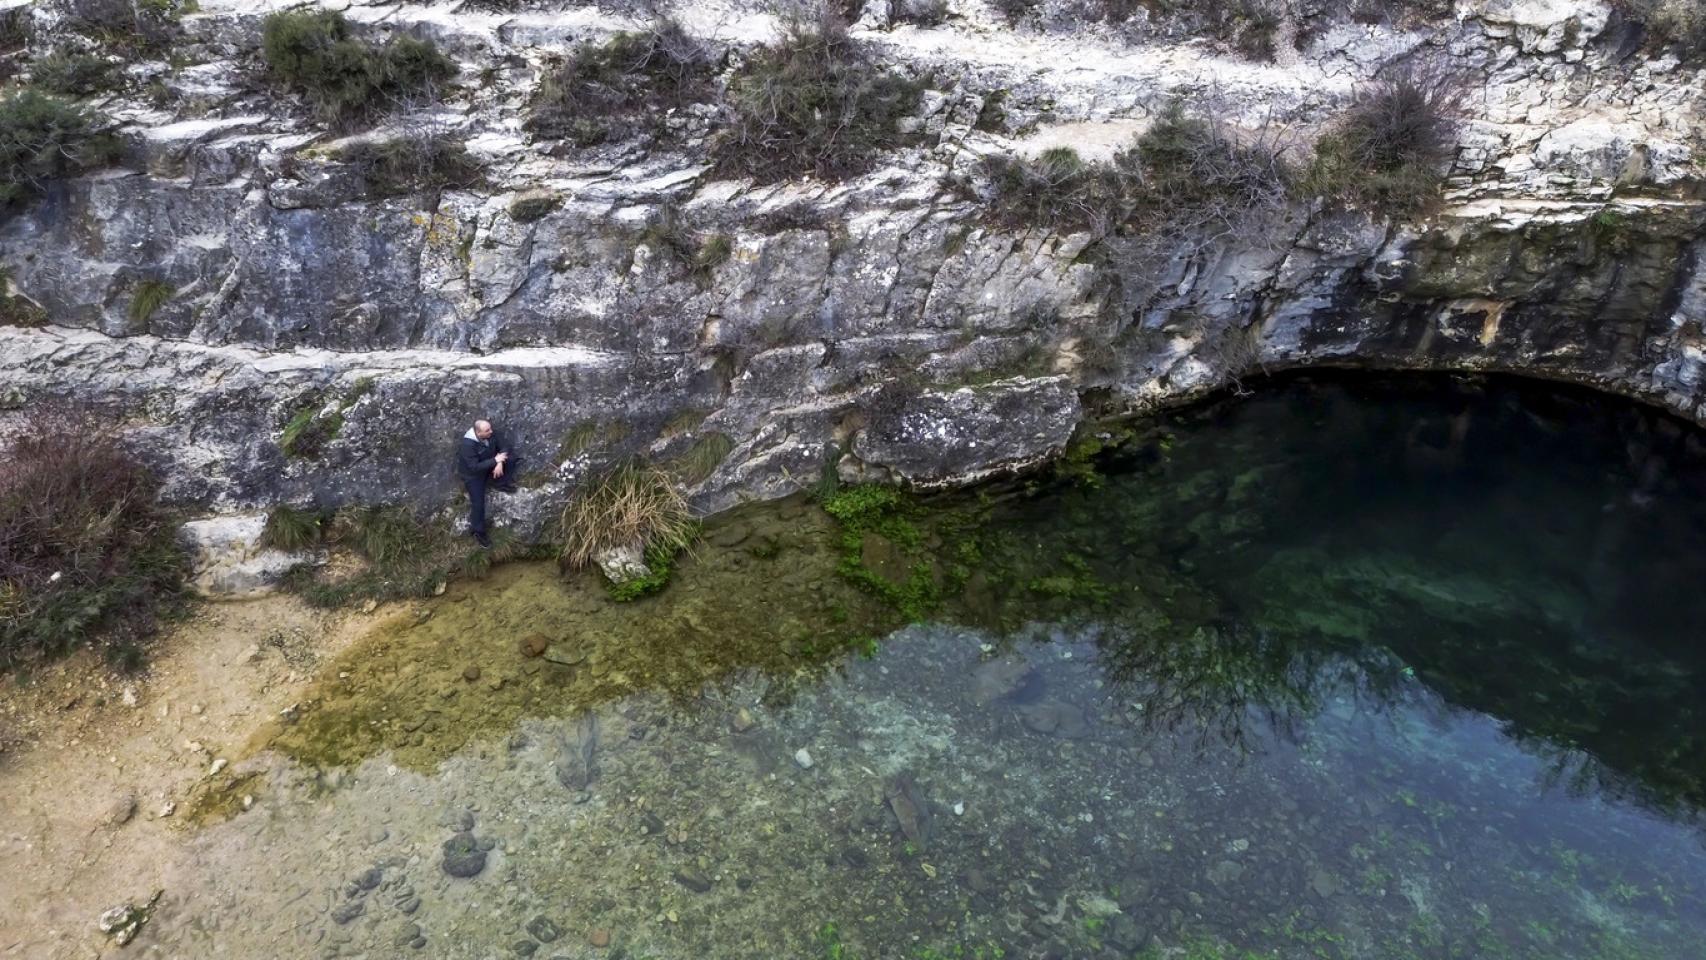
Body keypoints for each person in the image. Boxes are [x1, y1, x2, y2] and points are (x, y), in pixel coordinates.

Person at [456, 419, 519, 548]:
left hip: (489, 465)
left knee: (511, 459)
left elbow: (505, 446)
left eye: (490, 429)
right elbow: (473, 467)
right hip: (474, 476)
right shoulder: (467, 445)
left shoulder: (490, 433)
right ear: (478, 433)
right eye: (487, 430)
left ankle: (500, 483)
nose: (491, 431)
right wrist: (495, 460)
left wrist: (499, 462)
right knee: (478, 503)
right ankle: (479, 532)